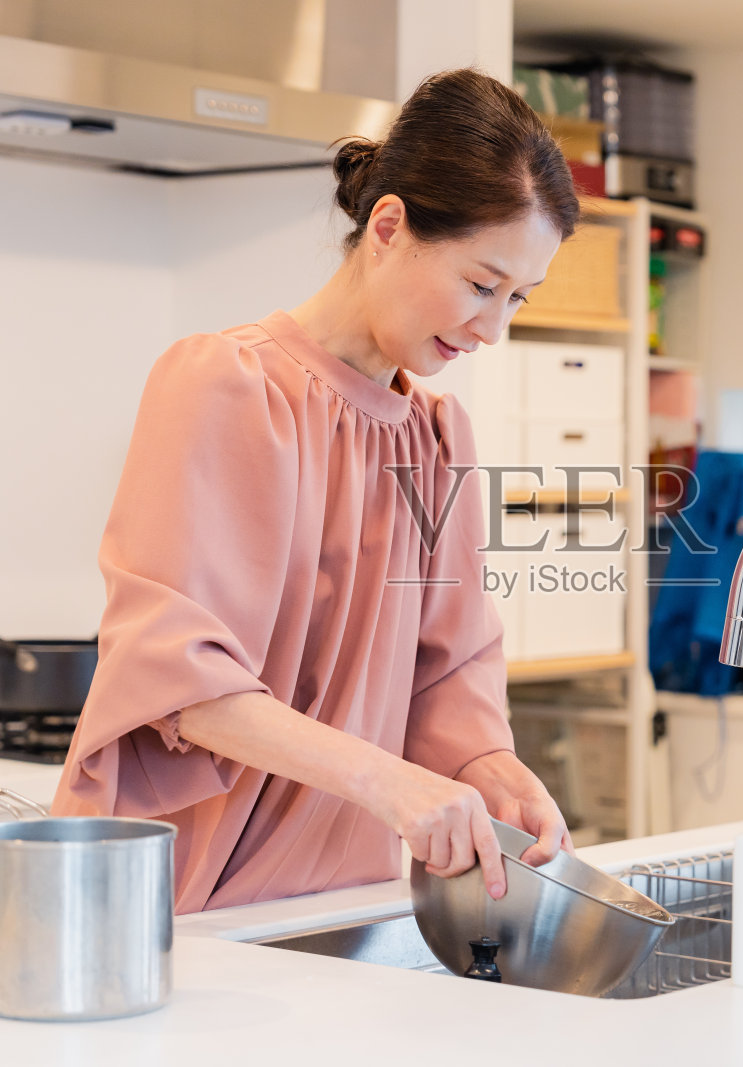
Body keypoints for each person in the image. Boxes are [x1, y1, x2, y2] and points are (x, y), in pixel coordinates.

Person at [51, 68, 580, 915]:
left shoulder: (438, 438)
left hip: (341, 905)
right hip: (182, 904)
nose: (494, 329)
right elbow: (178, 681)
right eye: (482, 284)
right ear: (390, 224)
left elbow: (449, 671)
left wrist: (494, 770)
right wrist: (392, 783)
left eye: (518, 297)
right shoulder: (225, 384)